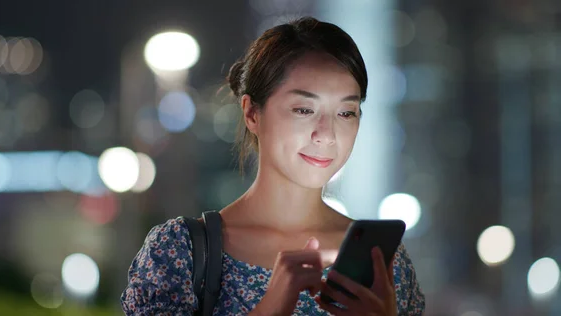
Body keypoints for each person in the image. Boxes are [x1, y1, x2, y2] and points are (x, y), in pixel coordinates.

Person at [121, 16, 425, 315]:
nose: (327, 135)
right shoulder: (179, 251)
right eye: (304, 109)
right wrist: (272, 306)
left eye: (346, 113)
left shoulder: (384, 265)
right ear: (252, 113)